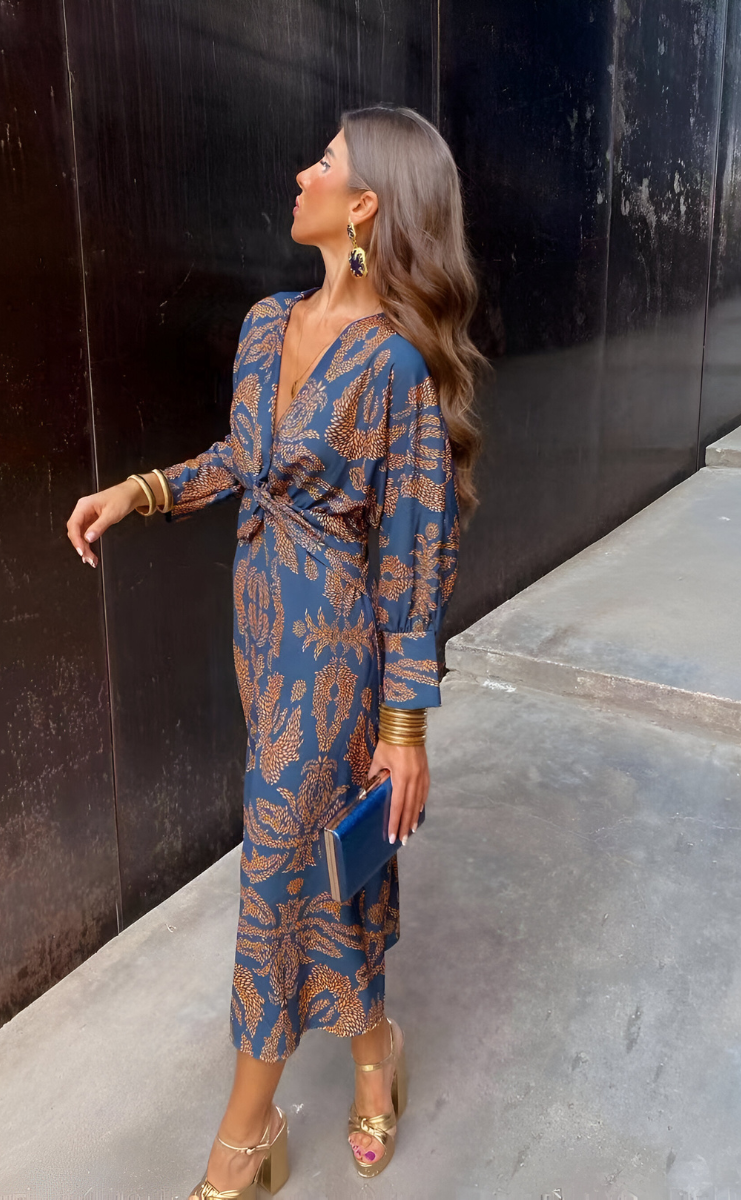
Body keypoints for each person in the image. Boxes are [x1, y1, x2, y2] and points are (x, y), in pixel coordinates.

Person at [66, 103, 487, 1196]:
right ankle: (375, 1049)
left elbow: (416, 549)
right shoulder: (266, 323)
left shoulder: (394, 368)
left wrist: (404, 727)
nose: (302, 172)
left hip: (336, 653)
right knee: (320, 867)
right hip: (260, 633)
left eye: (325, 161)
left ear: (364, 206)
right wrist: (139, 491)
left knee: (271, 874)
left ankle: (243, 1140)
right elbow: (241, 458)